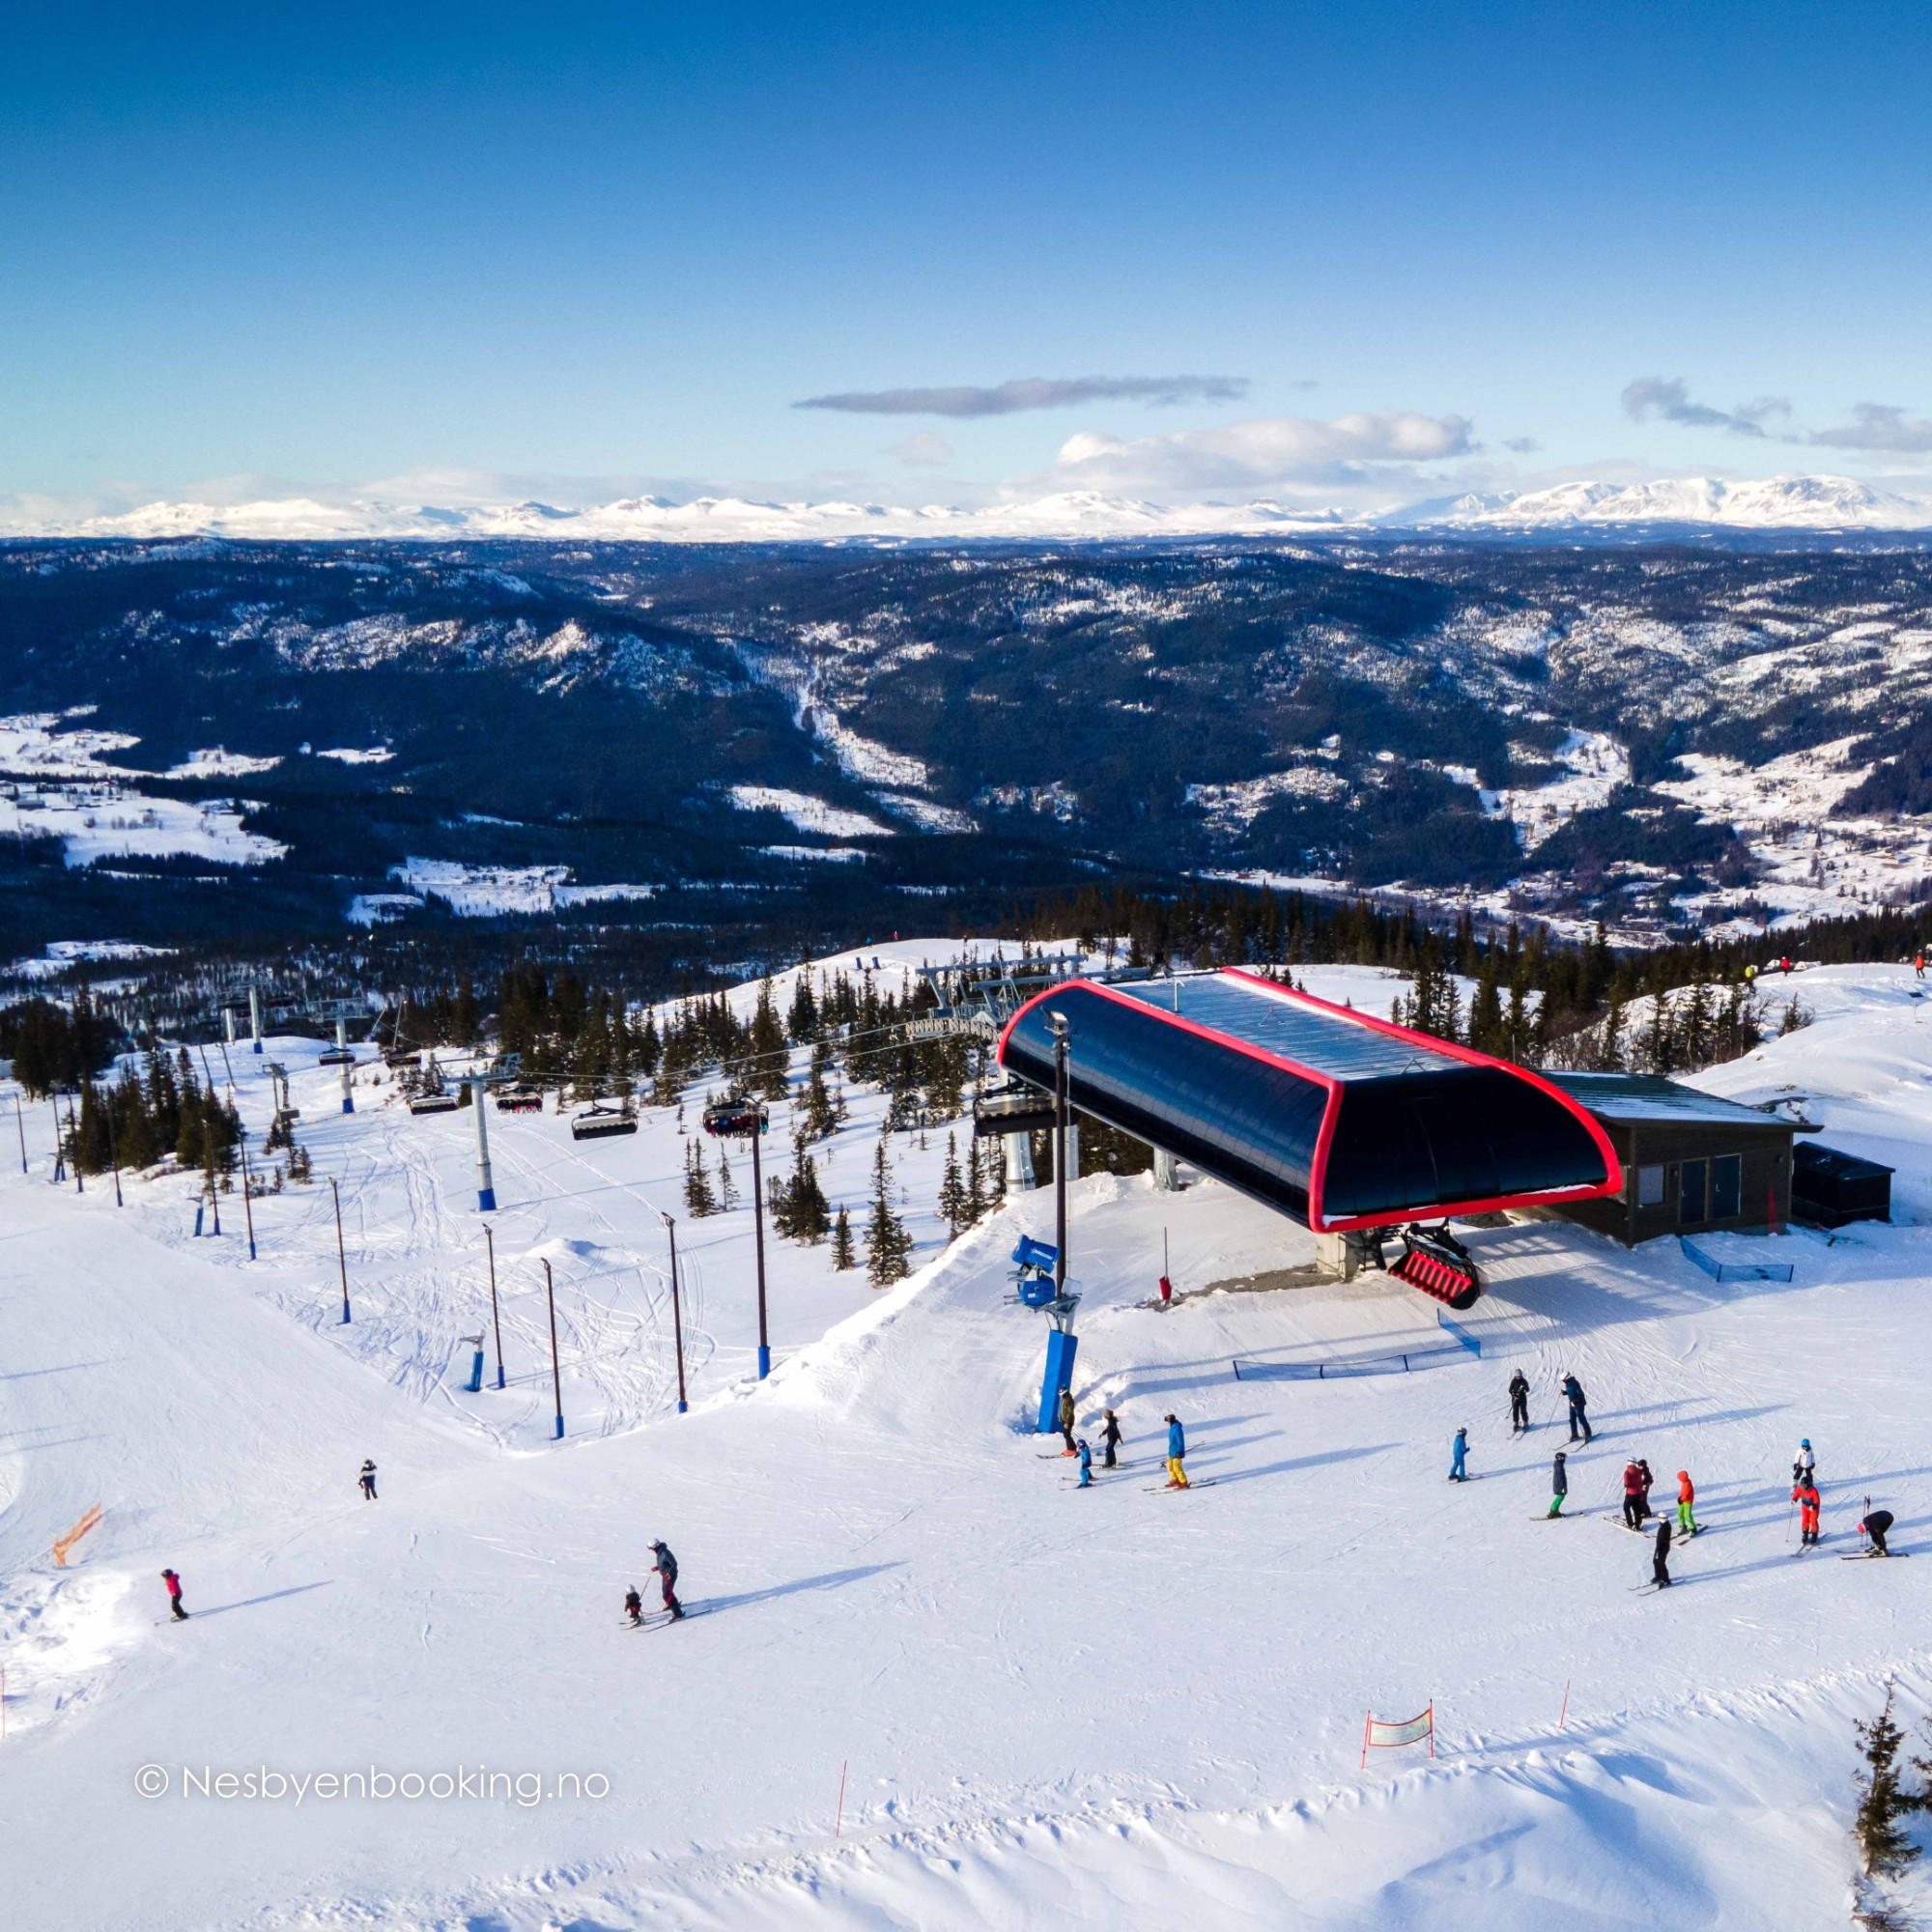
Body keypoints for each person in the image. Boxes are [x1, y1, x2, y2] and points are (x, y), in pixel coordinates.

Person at [649, 1539, 684, 1618]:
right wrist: (657, 1567)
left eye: (651, 1549)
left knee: (666, 1595)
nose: (651, 1551)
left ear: (655, 1547)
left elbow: (674, 1563)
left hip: (670, 1576)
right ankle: (672, 1604)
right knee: (667, 1592)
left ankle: (678, 1614)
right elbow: (664, 1563)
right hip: (665, 1576)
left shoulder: (665, 1553)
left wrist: (669, 1573)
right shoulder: (659, 1553)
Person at [1793, 1476, 1822, 1548]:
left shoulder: (1813, 1490)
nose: (1803, 1486)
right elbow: (1796, 1494)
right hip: (1805, 1507)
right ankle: (1805, 1534)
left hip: (1813, 1509)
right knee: (1805, 1519)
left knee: (1813, 1520)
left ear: (1808, 1484)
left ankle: (1814, 1534)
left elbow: (1817, 1501)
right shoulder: (1800, 1488)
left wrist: (1813, 1506)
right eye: (1802, 1484)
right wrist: (1794, 1499)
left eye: (1804, 1485)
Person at [1562, 1374, 1592, 1443]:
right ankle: (1574, 1434)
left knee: (1581, 1419)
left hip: (1579, 1404)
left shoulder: (1575, 1384)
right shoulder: (1568, 1384)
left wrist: (1576, 1401)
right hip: (1572, 1404)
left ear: (1567, 1378)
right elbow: (1571, 1391)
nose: (1563, 1382)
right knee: (1572, 1419)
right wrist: (1565, 1392)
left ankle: (1588, 1434)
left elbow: (1581, 1394)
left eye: (1563, 1380)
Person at [1164, 1413, 1189, 1490]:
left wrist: (1179, 1451)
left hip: (1177, 1452)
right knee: (1170, 1466)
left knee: (1177, 1468)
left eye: (1167, 1420)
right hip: (1171, 1451)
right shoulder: (1172, 1427)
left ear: (1171, 1420)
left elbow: (1180, 1441)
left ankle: (1184, 1482)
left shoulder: (1177, 1428)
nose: (1167, 1422)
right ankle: (1175, 1480)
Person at [1622, 1460, 1646, 1530]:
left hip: (1630, 1493)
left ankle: (1630, 1524)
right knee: (1636, 1509)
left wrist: (1625, 1486)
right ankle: (1638, 1524)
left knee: (1626, 1508)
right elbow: (1640, 1480)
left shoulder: (1627, 1472)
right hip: (1638, 1492)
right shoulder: (1638, 1471)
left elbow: (1627, 1483)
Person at [1652, 1516, 1673, 1588]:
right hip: (1659, 1546)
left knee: (1661, 1563)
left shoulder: (1665, 1527)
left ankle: (1665, 1580)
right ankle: (1658, 1576)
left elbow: (1663, 1539)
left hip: (1663, 1547)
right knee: (1655, 1561)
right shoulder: (1663, 1525)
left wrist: (1659, 1547)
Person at [1676, 1469, 1698, 1536]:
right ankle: (1682, 1526)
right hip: (1683, 1500)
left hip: (1688, 1502)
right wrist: (1680, 1498)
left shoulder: (1687, 1484)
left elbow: (1685, 1495)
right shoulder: (1684, 1482)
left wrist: (1680, 1499)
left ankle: (1693, 1529)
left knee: (1687, 1515)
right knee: (1679, 1513)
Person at [1508, 1371, 1530, 1435]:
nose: (1518, 1378)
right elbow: (1510, 1390)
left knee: (1523, 1411)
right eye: (1517, 1377)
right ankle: (1516, 1424)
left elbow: (1528, 1389)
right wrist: (1513, 1394)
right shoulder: (1513, 1381)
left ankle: (1525, 1423)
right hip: (1515, 1399)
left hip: (1522, 1398)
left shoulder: (1524, 1381)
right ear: (1515, 1376)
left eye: (1519, 1377)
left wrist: (1524, 1388)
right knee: (1515, 1411)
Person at [1058, 1385, 1077, 1457]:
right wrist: (1061, 1417)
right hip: (1064, 1420)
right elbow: (1063, 1410)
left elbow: (1070, 1413)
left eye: (1060, 1393)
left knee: (1066, 1435)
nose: (1060, 1395)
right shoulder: (1064, 1399)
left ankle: (1071, 1450)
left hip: (1069, 1421)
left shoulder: (1069, 1400)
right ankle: (1072, 1447)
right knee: (1067, 1435)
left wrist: (1067, 1423)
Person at [1548, 1450, 1568, 1517]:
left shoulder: (1559, 1464)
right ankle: (1553, 1511)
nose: (1564, 1459)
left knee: (1561, 1496)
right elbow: (1559, 1477)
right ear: (1560, 1458)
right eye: (1563, 1458)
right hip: (1560, 1485)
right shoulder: (1559, 1466)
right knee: (1561, 1496)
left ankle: (1555, 1511)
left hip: (1559, 1484)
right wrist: (1562, 1486)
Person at [1635, 1459, 1655, 1523]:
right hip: (1639, 1487)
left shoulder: (1646, 1472)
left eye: (1641, 1466)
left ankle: (1648, 1513)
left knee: (1643, 1500)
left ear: (1644, 1466)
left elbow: (1650, 1480)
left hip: (1644, 1488)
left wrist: (1646, 1485)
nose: (1639, 1467)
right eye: (1639, 1466)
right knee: (1639, 1500)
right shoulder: (1639, 1471)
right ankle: (1641, 1512)